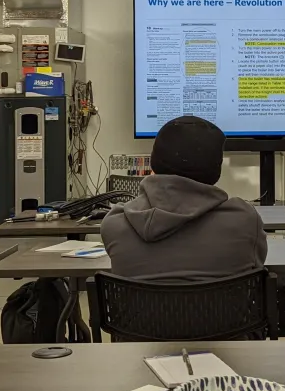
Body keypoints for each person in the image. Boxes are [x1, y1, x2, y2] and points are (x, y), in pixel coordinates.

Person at [101, 116, 267, 281]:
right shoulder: (245, 221)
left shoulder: (115, 225)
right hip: (217, 308)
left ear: (153, 164)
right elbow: (257, 268)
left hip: (138, 309)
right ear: (215, 171)